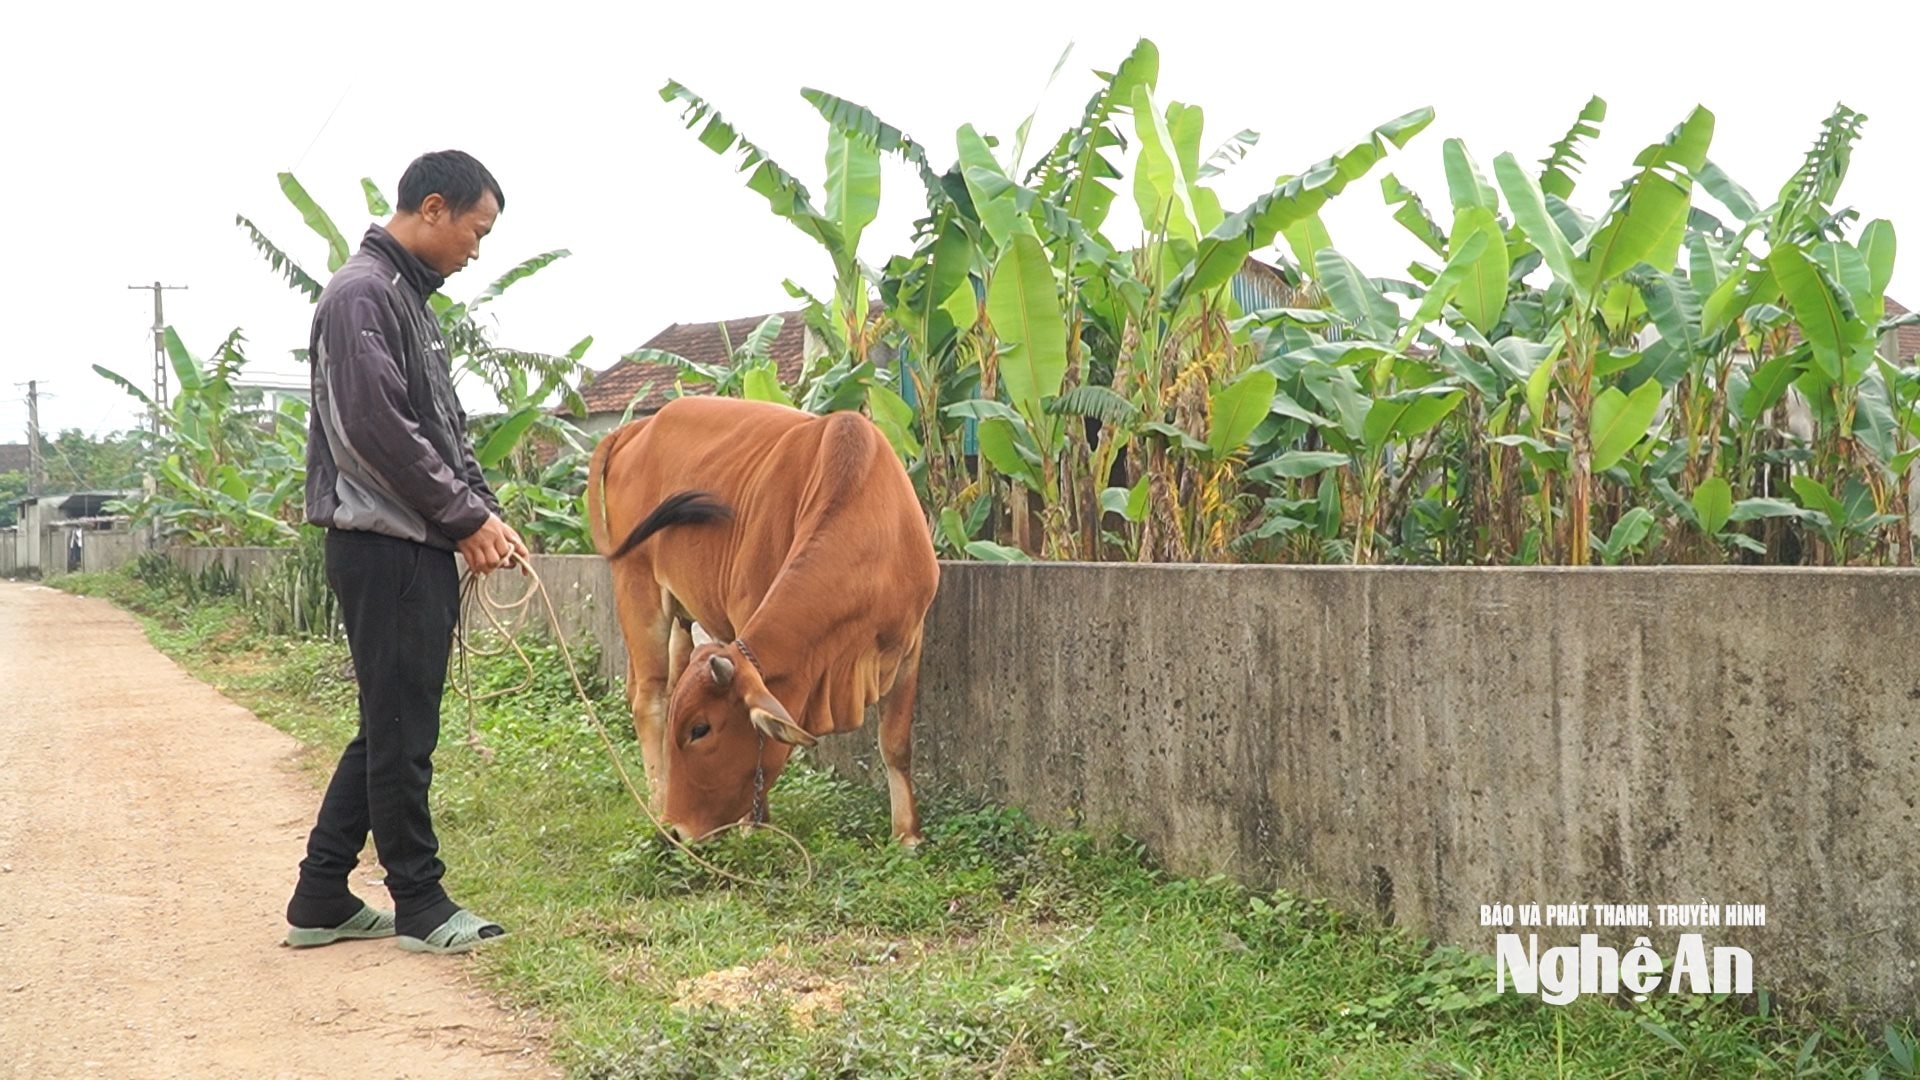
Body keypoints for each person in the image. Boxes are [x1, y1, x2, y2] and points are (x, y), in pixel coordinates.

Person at [284, 149, 529, 955]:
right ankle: (420, 905)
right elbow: (381, 432)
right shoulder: (362, 296)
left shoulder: (405, 301)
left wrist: (484, 512)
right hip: (385, 547)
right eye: (475, 230)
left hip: (410, 542)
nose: (476, 249)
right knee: (402, 730)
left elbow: (441, 429)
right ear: (432, 208)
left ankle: (322, 895)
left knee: (388, 723)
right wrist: (461, 518)